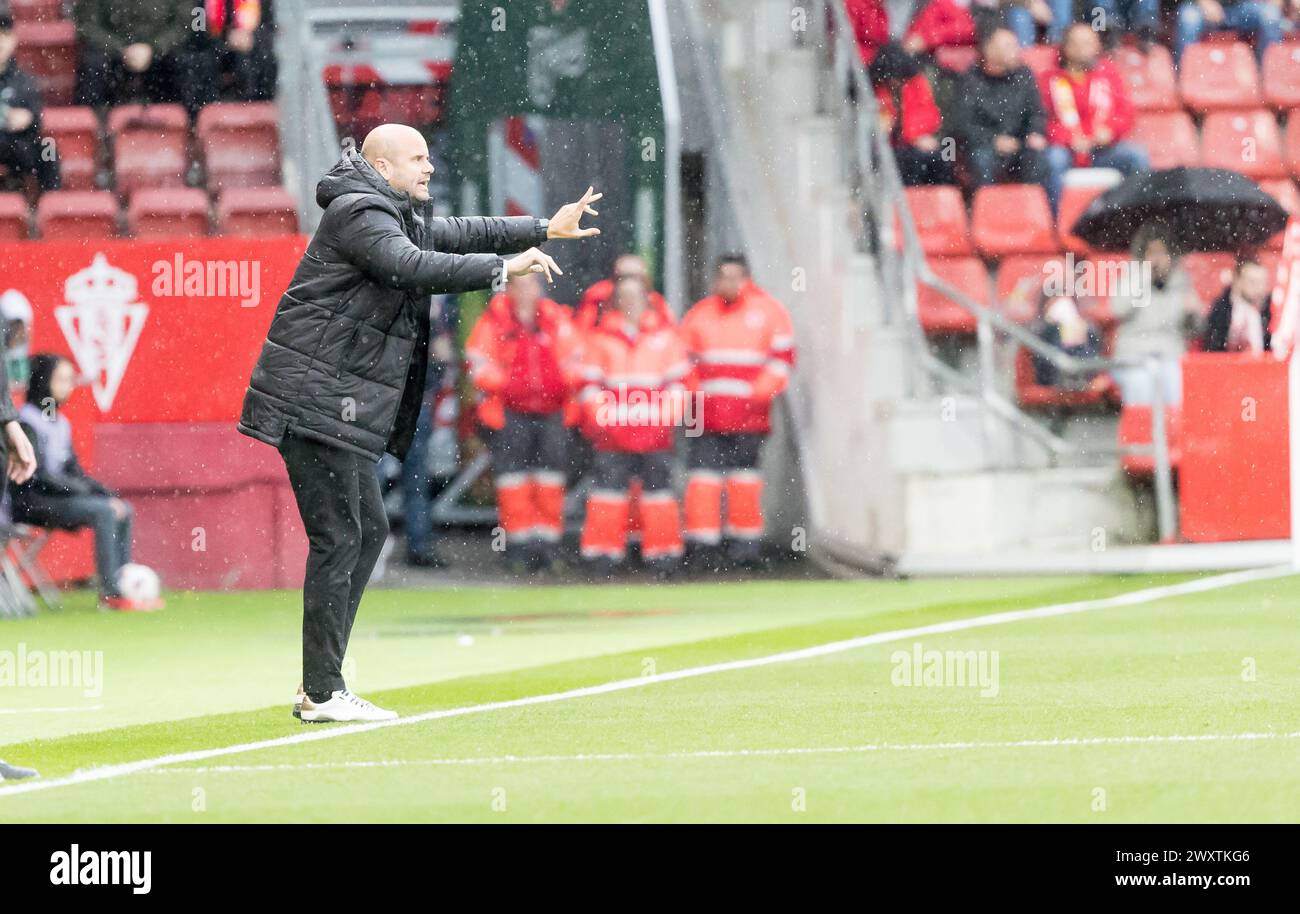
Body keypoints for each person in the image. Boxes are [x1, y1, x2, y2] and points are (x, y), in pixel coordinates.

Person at [238, 122, 600, 723]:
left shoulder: (386, 208)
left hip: (332, 399)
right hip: (312, 399)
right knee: (341, 537)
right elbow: (411, 265)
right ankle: (323, 690)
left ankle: (320, 687)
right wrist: (504, 271)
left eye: (429, 156)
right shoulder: (358, 211)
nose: (429, 167)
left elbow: (456, 232)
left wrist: (541, 228)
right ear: (382, 167)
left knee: (367, 531)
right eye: (417, 158)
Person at [680, 255, 795, 569]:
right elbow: (683, 365)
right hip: (705, 417)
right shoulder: (699, 316)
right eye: (724, 277)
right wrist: (698, 399)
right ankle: (702, 549)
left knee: (744, 482)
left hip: (749, 417)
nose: (729, 283)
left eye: (736, 277)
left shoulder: (770, 313)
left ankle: (744, 550)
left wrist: (754, 398)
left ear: (747, 279)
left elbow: (781, 363)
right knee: (703, 482)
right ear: (715, 280)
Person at [10, 355, 151, 609]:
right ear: (43, 382)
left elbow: (73, 471)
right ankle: (110, 594)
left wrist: (104, 493)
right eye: (61, 380)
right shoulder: (25, 422)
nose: (69, 386)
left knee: (120, 508)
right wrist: (90, 496)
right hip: (30, 503)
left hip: (56, 498)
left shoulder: (60, 423)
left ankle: (124, 584)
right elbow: (38, 477)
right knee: (104, 512)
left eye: (71, 380)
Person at [466, 272, 582, 574]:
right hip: (509, 413)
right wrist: (511, 386)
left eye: (533, 284)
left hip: (552, 412)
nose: (530, 290)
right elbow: (477, 365)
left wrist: (554, 386)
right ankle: (517, 550)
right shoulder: (494, 321)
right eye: (523, 284)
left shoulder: (555, 318)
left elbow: (576, 361)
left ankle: (548, 548)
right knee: (512, 481)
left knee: (550, 480)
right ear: (510, 289)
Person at [578, 275, 690, 578]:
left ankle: (663, 556)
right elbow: (589, 387)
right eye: (624, 297)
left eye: (635, 296)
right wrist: (606, 422)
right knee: (607, 494)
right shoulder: (600, 339)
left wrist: (662, 422)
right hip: (612, 436)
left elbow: (679, 386)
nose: (631, 303)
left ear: (646, 299)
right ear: (616, 302)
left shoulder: (666, 338)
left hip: (654, 436)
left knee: (659, 496)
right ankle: (603, 556)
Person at [1040, 23, 1148, 214]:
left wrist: (1110, 131)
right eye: (1079, 43)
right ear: (1066, 47)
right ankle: (1058, 223)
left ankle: (1136, 218)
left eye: (1090, 43)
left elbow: (1126, 112)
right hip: (1067, 151)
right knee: (1052, 160)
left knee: (1136, 156)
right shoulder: (1050, 79)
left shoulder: (1108, 74)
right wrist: (1069, 139)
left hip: (1102, 150)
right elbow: (1042, 121)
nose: (1086, 49)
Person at [74, 0, 219, 116]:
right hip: (114, 53)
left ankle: (193, 131)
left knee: (192, 64)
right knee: (93, 65)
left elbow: (185, 23)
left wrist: (155, 48)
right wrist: (120, 49)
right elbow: (87, 24)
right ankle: (93, 132)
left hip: (165, 53)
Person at [1110, 228, 1204, 405]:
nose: (1157, 259)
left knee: (1175, 385)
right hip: (1134, 353)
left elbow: (1195, 331)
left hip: (1170, 354)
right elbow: (1119, 310)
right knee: (1141, 384)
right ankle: (1141, 432)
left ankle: (1172, 432)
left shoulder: (1182, 282)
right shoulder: (1131, 278)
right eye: (1152, 253)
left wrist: (1192, 314)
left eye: (1162, 253)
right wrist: (1145, 277)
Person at [955, 28, 1050, 195]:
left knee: (1040, 158)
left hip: (1020, 144)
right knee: (980, 159)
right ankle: (985, 212)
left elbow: (1037, 112)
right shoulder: (971, 79)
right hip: (985, 146)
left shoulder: (1024, 75)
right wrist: (993, 140)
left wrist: (1035, 132)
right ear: (989, 49)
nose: (1016, 51)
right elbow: (963, 124)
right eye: (1009, 46)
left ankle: (1034, 213)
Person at [870, 41, 953, 187]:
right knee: (910, 159)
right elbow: (883, 124)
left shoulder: (915, 83)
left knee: (949, 149)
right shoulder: (878, 89)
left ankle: (945, 195)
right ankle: (912, 199)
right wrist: (910, 137)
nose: (895, 82)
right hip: (895, 145)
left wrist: (916, 136)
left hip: (920, 138)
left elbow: (930, 115)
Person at [0, 14, 60, 193]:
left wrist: (28, 119)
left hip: (16, 145)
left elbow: (36, 122)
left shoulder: (24, 81)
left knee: (48, 147)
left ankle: (51, 205)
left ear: (13, 40)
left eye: (4, 36)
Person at [1031, 294, 1109, 390]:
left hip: (1082, 376)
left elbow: (1094, 355)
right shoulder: (1044, 329)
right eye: (1057, 302)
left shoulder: (1087, 328)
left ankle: (1081, 380)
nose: (1063, 307)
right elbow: (1044, 364)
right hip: (1053, 379)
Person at [203, 0, 277, 102]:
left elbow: (265, 22)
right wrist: (225, 37)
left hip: (251, 41)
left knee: (249, 59)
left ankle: (251, 98)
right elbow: (206, 23)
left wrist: (250, 36)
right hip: (218, 42)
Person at [575, 253, 673, 329]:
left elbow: (671, 336)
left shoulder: (656, 303)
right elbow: (582, 333)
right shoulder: (597, 298)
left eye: (635, 278)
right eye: (624, 277)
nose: (630, 285)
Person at [1202, 253, 1273, 353]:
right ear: (1237, 281)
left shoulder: (1271, 309)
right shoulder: (1222, 308)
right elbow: (1213, 346)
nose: (1259, 289)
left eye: (1262, 283)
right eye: (1252, 282)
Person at [1175, 0, 1284, 65]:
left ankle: (1270, 75)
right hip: (1201, 7)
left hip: (1241, 8)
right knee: (1188, 20)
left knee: (1271, 15)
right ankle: (1186, 76)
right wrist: (1205, 2)